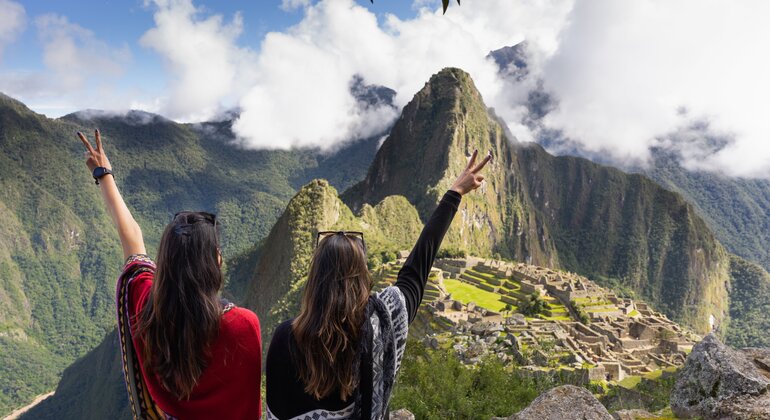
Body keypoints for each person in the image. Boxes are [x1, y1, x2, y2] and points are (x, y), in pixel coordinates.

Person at [266, 149, 492, 419]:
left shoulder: (285, 338)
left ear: (314, 280)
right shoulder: (383, 324)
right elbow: (416, 268)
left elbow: (275, 415)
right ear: (363, 277)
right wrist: (454, 193)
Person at [78, 130, 262, 419]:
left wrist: (104, 175)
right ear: (216, 260)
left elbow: (132, 242)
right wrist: (103, 173)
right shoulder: (243, 325)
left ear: (165, 261)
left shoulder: (147, 311)